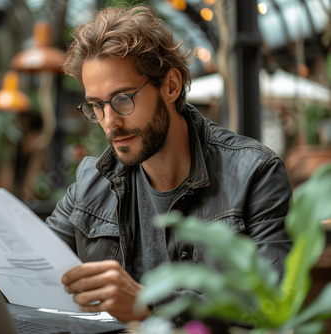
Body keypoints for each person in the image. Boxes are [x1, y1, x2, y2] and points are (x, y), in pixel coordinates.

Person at [44, 5, 293, 325]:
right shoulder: (92, 183)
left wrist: (150, 303)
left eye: (123, 99)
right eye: (97, 106)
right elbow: (35, 263)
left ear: (171, 86)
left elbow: (270, 307)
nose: (110, 123)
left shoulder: (254, 174)